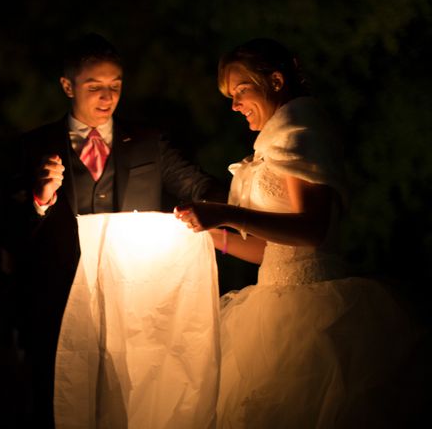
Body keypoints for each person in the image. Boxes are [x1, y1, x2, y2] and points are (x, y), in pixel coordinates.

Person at [175, 38, 430, 428]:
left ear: (275, 81)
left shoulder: (300, 133)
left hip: (311, 312)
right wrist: (208, 234)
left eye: (241, 90)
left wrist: (225, 212)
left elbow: (311, 231)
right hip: (273, 303)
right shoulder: (276, 141)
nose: (234, 105)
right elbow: (270, 252)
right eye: (231, 96)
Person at [3, 33, 225, 427]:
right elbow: (9, 234)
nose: (107, 96)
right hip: (59, 300)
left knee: (128, 404)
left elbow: (198, 185)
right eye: (94, 87)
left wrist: (246, 198)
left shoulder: (148, 143)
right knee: (58, 405)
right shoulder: (33, 146)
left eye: (115, 86)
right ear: (68, 86)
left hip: (134, 301)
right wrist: (40, 200)